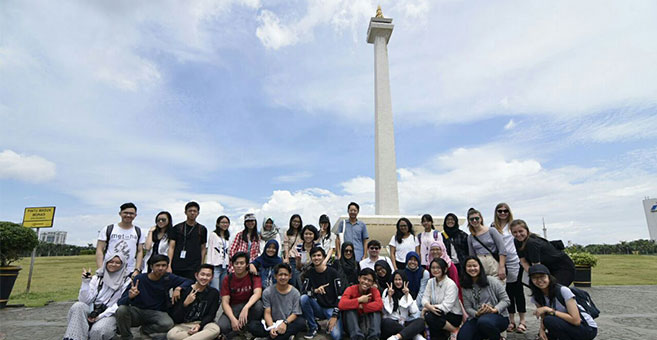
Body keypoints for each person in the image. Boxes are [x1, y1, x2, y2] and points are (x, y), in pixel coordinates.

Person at [116, 254, 193, 340]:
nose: (160, 268)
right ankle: (126, 337)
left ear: (167, 266)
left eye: (164, 265)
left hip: (156, 312)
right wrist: (130, 297)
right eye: (157, 265)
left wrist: (179, 288)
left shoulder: (168, 277)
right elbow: (120, 303)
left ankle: (145, 330)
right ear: (151, 267)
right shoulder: (140, 279)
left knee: (168, 324)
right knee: (121, 310)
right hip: (138, 311)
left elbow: (189, 281)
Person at [64, 251, 131, 340]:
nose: (113, 264)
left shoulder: (127, 281)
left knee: (98, 330)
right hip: (92, 309)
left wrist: (100, 316)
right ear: (106, 262)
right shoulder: (98, 277)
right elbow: (84, 301)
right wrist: (85, 283)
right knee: (78, 306)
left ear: (123, 265)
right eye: (110, 262)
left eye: (118, 263)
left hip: (109, 314)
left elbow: (119, 304)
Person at [528, 264, 597, 340]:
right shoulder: (537, 296)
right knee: (545, 330)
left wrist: (549, 310)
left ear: (549, 277)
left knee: (550, 320)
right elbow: (543, 317)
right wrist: (541, 330)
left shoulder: (563, 291)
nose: (539, 281)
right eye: (535, 278)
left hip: (586, 328)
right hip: (566, 325)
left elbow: (576, 320)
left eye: (542, 277)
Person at [458, 256, 510, 340]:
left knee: (484, 322)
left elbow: (506, 300)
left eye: (475, 266)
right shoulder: (465, 285)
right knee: (462, 337)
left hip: (497, 316)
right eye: (469, 266)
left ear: (480, 267)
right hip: (477, 317)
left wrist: (494, 309)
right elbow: (468, 307)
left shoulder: (491, 281)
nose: (472, 268)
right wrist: (477, 313)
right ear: (465, 269)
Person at [510, 219, 576, 286]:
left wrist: (536, 278)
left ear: (526, 230)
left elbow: (536, 267)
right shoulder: (517, 241)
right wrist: (532, 274)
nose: (518, 234)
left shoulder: (531, 243)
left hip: (562, 267)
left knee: (554, 290)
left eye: (521, 231)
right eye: (514, 232)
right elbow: (523, 261)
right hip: (547, 268)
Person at [491, 203, 524, 333]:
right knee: (507, 292)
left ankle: (522, 320)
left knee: (518, 291)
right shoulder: (493, 226)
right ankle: (511, 320)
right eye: (500, 211)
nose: (503, 213)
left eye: (505, 211)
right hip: (500, 261)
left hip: (515, 259)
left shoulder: (513, 225)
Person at [251, 263, 307, 340]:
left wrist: (285, 323)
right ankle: (283, 336)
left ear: (290, 276)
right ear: (275, 276)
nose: (283, 277)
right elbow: (267, 312)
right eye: (280, 275)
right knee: (253, 326)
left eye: (285, 275)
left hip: (287, 322)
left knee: (301, 322)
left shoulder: (295, 292)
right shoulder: (268, 292)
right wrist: (271, 327)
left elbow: (295, 313)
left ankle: (268, 338)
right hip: (272, 321)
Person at [300, 247, 344, 340]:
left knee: (337, 336)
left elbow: (340, 296)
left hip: (331, 308)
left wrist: (335, 315)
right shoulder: (310, 273)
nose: (316, 258)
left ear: (324, 257)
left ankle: (330, 323)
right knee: (303, 298)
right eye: (314, 256)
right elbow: (303, 292)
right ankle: (313, 326)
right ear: (311, 258)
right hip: (318, 307)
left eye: (319, 255)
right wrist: (315, 291)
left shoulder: (333, 273)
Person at [218, 252, 264, 339]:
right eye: (236, 263)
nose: (239, 266)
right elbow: (225, 302)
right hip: (233, 307)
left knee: (258, 305)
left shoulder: (253, 276)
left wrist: (246, 308)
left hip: (248, 306)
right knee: (222, 326)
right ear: (233, 265)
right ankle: (238, 331)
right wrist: (233, 319)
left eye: (242, 263)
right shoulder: (228, 279)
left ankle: (246, 329)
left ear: (247, 265)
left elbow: (258, 293)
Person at [167, 264, 220, 340]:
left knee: (215, 329)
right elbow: (176, 317)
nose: (204, 278)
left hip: (203, 324)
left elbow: (211, 315)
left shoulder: (214, 293)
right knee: (171, 335)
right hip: (184, 325)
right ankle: (203, 337)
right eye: (202, 274)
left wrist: (199, 326)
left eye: (208, 275)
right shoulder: (184, 290)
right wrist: (185, 304)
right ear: (196, 275)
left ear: (211, 277)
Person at [96, 202, 146, 277]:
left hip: (129, 271)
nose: (128, 215)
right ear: (120, 213)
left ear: (135, 215)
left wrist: (137, 269)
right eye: (125, 213)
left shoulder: (138, 231)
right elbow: (99, 249)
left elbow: (140, 251)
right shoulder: (109, 229)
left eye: (131, 213)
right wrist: (101, 269)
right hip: (110, 269)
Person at [421, 259, 462, 340]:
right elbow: (424, 299)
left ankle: (454, 330)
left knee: (429, 316)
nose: (435, 270)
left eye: (438, 268)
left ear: (445, 269)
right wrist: (429, 307)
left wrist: (428, 308)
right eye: (433, 267)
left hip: (452, 314)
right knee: (433, 328)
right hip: (436, 312)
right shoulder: (430, 282)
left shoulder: (451, 284)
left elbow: (446, 307)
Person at [338, 268, 383, 340]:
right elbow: (341, 304)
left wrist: (362, 306)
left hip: (367, 322)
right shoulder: (351, 289)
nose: (366, 282)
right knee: (349, 309)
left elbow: (379, 305)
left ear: (372, 283)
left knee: (376, 311)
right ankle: (357, 337)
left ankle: (374, 337)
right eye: (364, 279)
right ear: (359, 278)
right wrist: (359, 300)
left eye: (369, 281)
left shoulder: (374, 291)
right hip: (353, 323)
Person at [168, 202, 208, 280]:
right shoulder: (177, 228)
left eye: (195, 211)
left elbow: (203, 248)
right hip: (177, 264)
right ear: (185, 212)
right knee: (177, 289)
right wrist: (169, 265)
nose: (192, 213)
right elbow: (171, 247)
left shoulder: (202, 229)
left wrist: (201, 265)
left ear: (198, 213)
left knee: (190, 288)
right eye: (190, 211)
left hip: (194, 266)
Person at [381, 270, 426, 340]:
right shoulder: (387, 291)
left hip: (404, 322)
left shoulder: (407, 292)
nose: (398, 282)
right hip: (392, 322)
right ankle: (414, 335)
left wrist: (407, 295)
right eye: (396, 279)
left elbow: (414, 311)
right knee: (386, 322)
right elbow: (385, 311)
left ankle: (397, 337)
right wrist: (389, 296)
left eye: (400, 279)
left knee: (421, 322)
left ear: (404, 280)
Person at [466, 208, 507, 281]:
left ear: (481, 219)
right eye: (472, 219)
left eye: (476, 218)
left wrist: (502, 266)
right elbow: (472, 255)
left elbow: (502, 249)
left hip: (493, 262)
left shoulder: (491, 231)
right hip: (480, 264)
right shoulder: (470, 237)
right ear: (469, 221)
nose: (474, 221)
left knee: (498, 286)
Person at [206, 215, 231, 290]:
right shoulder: (213, 235)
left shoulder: (227, 238)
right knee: (215, 288)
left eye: (227, 223)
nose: (225, 224)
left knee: (223, 288)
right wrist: (209, 264)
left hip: (225, 265)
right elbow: (210, 249)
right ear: (218, 224)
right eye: (223, 222)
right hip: (215, 265)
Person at [283, 214, 303, 287]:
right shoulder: (287, 233)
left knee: (301, 280)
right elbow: (286, 246)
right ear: (291, 222)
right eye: (294, 221)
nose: (296, 223)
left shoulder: (302, 233)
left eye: (298, 222)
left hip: (301, 259)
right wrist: (286, 258)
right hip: (291, 258)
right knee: (293, 279)